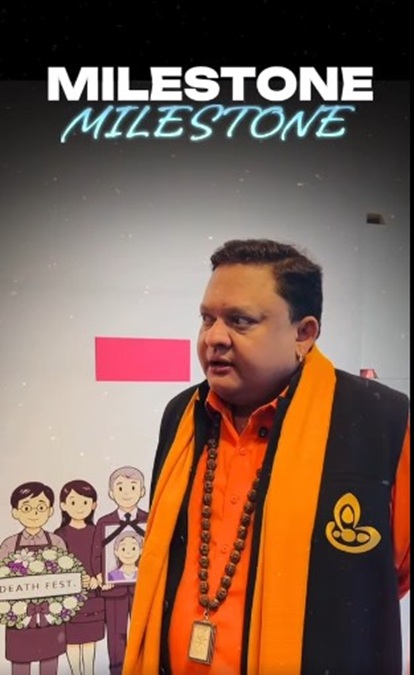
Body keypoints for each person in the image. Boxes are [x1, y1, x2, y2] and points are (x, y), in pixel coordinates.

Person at [122, 238, 410, 675]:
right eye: (207, 319)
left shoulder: (380, 420)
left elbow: (394, 574)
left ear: (303, 333)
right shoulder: (182, 415)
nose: (213, 338)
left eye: (240, 321)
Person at [0, 482, 67, 675]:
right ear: (15, 512)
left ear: (50, 510)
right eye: (27, 508)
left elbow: (66, 574)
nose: (34, 513)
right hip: (19, 615)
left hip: (50, 614)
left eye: (41, 507)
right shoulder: (9, 544)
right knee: (20, 663)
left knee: (49, 663)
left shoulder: (56, 542)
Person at [92, 466, 148, 675]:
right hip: (113, 590)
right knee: (116, 635)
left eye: (132, 487)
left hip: (143, 589)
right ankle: (117, 670)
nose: (126, 493)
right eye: (120, 487)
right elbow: (96, 554)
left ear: (142, 491)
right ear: (111, 493)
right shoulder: (104, 522)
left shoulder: (150, 519)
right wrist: (100, 576)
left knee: (145, 632)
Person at [55, 479, 105, 675]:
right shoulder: (59, 534)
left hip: (93, 594)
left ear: (93, 505)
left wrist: (97, 579)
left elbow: (104, 558)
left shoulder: (97, 531)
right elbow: (57, 564)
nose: (79, 507)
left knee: (90, 639)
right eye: (73, 502)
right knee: (73, 639)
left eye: (85, 502)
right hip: (70, 597)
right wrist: (74, 580)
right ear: (63, 505)